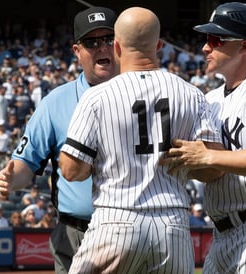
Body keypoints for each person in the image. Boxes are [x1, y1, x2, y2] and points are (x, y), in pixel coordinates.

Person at [58, 7, 221, 273]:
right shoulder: (191, 94)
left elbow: (72, 171)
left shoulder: (97, 97)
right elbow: (214, 170)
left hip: (116, 219)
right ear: (158, 45)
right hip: (173, 227)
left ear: (118, 47)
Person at [159, 2, 246, 273]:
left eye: (216, 40)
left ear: (245, 46)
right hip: (222, 231)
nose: (205, 47)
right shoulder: (211, 99)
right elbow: (212, 171)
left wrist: (208, 155)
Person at [0, 6, 119, 273]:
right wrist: (10, 179)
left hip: (132, 230)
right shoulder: (55, 102)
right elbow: (25, 164)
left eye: (108, 39)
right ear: (77, 51)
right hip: (75, 232)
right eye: (91, 42)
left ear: (120, 44)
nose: (102, 48)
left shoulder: (146, 95)